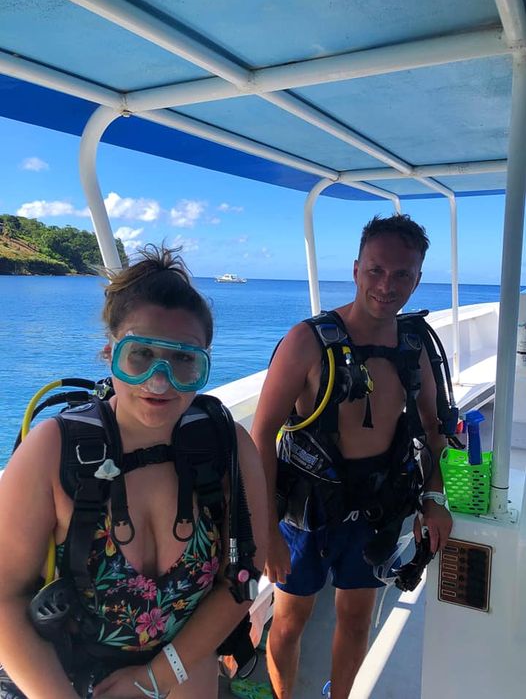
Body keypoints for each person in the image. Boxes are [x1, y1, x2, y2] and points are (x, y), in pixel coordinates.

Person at [0, 245, 267, 699]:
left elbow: (242, 577)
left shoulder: (227, 447)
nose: (160, 382)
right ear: (110, 353)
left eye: (184, 360)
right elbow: (5, 597)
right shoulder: (52, 451)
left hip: (183, 673)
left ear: (203, 363)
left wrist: (156, 677)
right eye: (141, 354)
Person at [251, 214, 453, 699]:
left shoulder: (413, 345)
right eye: (376, 270)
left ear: (417, 280)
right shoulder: (307, 341)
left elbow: (432, 428)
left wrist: (433, 497)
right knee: (290, 619)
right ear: (357, 269)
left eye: (402, 274)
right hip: (307, 512)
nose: (387, 285)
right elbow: (261, 435)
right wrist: (266, 532)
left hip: (376, 508)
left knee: (358, 617)